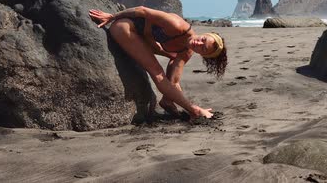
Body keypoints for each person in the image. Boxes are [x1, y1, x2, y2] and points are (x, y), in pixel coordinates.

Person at [88, 6, 227, 119]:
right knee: (157, 72)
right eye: (203, 39)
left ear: (203, 55)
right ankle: (194, 110)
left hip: (141, 38)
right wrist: (112, 16)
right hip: (125, 27)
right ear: (205, 34)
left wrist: (171, 95)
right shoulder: (177, 26)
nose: (198, 43)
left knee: (174, 71)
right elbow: (142, 10)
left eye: (203, 48)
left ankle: (168, 100)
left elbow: (174, 78)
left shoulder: (187, 51)